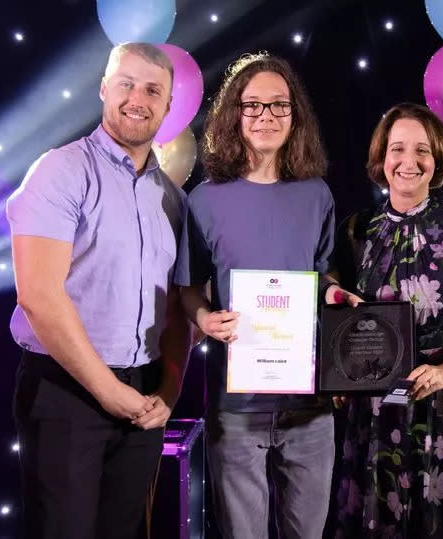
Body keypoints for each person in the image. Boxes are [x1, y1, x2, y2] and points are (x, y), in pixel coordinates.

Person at [6, 42, 192, 538]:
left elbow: (176, 308)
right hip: (65, 394)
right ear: (104, 89)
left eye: (154, 90)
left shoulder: (172, 198)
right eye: (127, 84)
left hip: (143, 399)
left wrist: (168, 393)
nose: (139, 98)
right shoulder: (60, 171)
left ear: (168, 106)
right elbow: (38, 295)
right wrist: (109, 391)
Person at [175, 53, 344, 539]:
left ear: (296, 116)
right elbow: (189, 289)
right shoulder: (205, 199)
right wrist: (205, 320)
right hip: (236, 408)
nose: (266, 116)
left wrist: (335, 297)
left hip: (308, 407)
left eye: (278, 105)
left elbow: (322, 275)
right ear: (234, 114)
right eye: (253, 106)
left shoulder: (317, 195)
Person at [330, 103, 443, 538]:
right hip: (372, 415)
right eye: (397, 149)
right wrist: (338, 376)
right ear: (381, 158)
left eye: (422, 151)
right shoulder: (356, 230)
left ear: (438, 160)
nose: (409, 162)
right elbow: (337, 313)